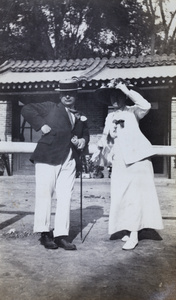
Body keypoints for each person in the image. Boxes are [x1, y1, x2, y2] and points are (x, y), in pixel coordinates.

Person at [92, 79, 163, 250]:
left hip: (138, 160)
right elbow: (105, 137)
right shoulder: (110, 116)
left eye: (118, 96)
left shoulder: (133, 112)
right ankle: (125, 228)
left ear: (124, 97)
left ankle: (134, 234)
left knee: (136, 197)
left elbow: (145, 105)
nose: (115, 100)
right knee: (120, 195)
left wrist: (125, 89)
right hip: (119, 161)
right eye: (112, 97)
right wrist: (97, 150)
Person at [21, 79, 89, 250]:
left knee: (65, 196)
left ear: (75, 95)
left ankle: (61, 235)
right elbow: (26, 109)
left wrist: (82, 140)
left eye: (71, 93)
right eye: (64, 93)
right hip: (47, 157)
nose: (67, 96)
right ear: (60, 95)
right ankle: (44, 234)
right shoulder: (51, 107)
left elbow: (85, 134)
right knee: (45, 194)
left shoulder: (80, 115)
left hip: (69, 159)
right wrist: (41, 125)